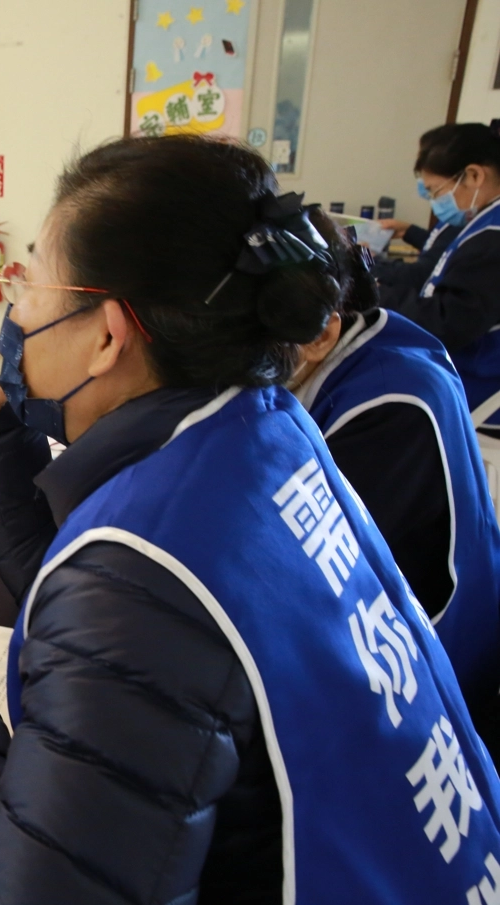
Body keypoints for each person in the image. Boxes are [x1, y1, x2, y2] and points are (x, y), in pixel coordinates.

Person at [0, 135, 500, 902]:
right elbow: (119, 624)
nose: (14, 308)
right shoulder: (264, 429)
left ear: (106, 335)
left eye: (27, 281)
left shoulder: (136, 577)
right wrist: (0, 427)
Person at [293, 212, 500, 739]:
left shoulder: (390, 401)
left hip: (434, 678)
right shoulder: (365, 351)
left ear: (320, 331)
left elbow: (316, 580)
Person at [383, 121, 500, 428]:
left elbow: (447, 320)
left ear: (474, 175)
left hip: (478, 382)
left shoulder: (491, 236)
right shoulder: (480, 223)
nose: (435, 201)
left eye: (437, 191)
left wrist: (371, 289)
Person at [375, 126, 463, 298]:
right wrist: (409, 232)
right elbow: (440, 248)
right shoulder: (457, 214)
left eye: (434, 189)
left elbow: (422, 274)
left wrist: (364, 259)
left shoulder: (468, 219)